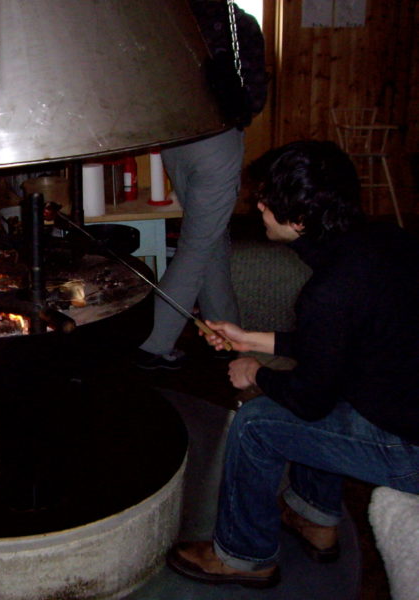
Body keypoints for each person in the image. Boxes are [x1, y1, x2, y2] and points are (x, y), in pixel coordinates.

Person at [166, 140, 419, 588]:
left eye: (268, 201)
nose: (258, 205)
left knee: (258, 423)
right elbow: (342, 342)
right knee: (327, 387)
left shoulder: (330, 290)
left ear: (299, 221)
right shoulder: (385, 239)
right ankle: (315, 520)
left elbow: (310, 399)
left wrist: (255, 371)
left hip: (410, 449)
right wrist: (251, 338)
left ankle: (244, 556)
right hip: (404, 400)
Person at [136, 0, 267, 369]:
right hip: (217, 139)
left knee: (211, 239)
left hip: (175, 141)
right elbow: (254, 96)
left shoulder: (169, 18)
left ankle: (226, 330)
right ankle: (153, 343)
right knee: (198, 245)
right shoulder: (238, 23)